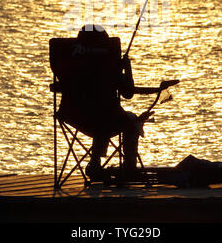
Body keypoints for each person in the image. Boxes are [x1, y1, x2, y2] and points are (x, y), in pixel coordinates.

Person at [56, 24, 151, 179]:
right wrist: (127, 68)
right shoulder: (109, 65)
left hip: (73, 115)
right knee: (128, 120)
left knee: (102, 114)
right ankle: (129, 167)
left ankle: (94, 162)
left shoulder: (69, 63)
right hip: (104, 118)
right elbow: (128, 93)